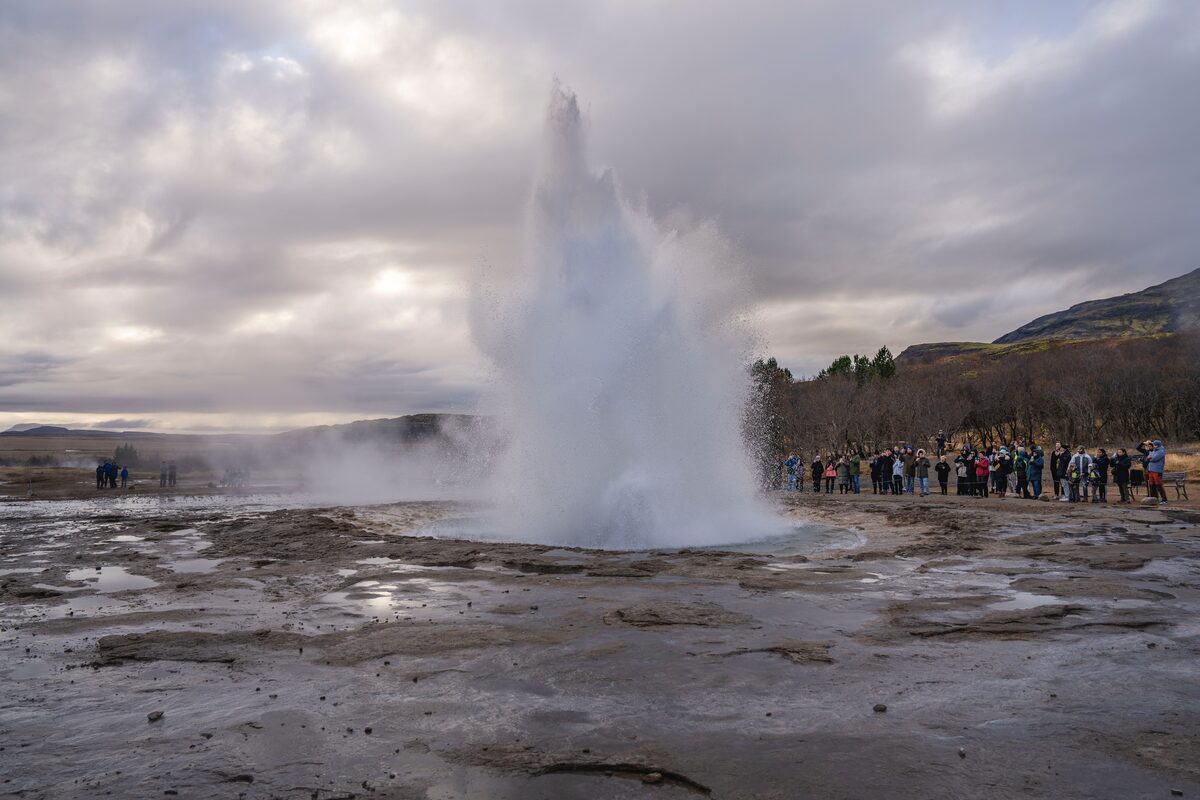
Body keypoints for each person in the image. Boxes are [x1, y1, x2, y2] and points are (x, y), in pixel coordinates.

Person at [1137, 439, 1168, 504]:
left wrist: (1149, 458)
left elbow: (1154, 459)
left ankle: (1164, 499)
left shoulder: (1161, 451)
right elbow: (1148, 457)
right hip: (1151, 470)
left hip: (1157, 470)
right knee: (1151, 485)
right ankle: (1154, 498)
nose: (1153, 446)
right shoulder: (1153, 451)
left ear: (1157, 445)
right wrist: (1148, 458)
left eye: (1154, 445)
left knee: (1159, 485)